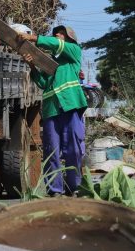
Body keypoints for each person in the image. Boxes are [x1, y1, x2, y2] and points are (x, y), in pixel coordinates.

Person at [18, 25, 88, 196]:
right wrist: (32, 66)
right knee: (52, 151)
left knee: (73, 150)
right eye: (56, 33)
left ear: (70, 39)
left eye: (62, 33)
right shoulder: (49, 62)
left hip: (71, 106)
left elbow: (57, 45)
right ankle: (55, 189)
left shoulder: (74, 51)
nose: (58, 34)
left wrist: (33, 38)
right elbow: (42, 83)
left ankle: (74, 187)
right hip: (51, 111)